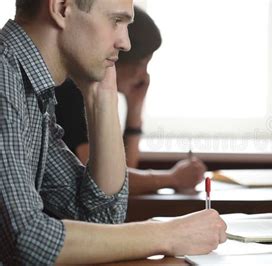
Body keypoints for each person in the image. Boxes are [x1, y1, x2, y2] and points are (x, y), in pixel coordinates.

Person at [0, 0, 226, 264]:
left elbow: (102, 218)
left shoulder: (31, 92)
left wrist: (102, 96)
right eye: (116, 21)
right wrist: (168, 234)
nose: (125, 43)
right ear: (61, 8)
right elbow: (27, 238)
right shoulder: (4, 82)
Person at [55, 6, 206, 195]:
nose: (144, 76)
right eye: (142, 64)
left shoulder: (100, 98)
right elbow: (101, 182)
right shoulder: (74, 93)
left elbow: (121, 169)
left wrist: (135, 108)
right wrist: (172, 178)